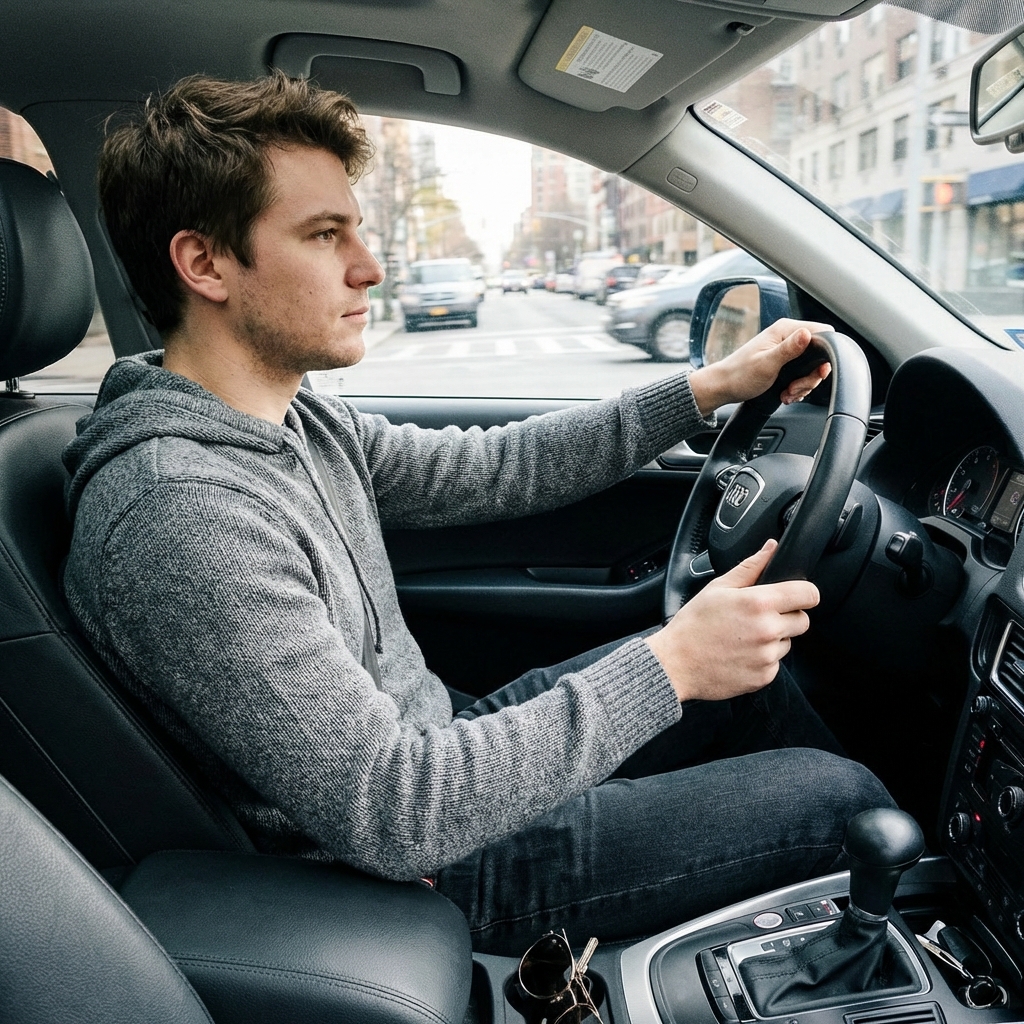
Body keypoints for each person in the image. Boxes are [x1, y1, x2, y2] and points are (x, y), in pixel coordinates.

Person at [62, 72, 893, 956]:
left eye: (357, 229)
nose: (369, 267)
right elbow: (396, 812)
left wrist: (709, 389)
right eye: (324, 234)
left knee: (756, 683)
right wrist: (675, 663)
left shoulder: (296, 423)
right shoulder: (180, 512)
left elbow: (499, 467)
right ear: (204, 264)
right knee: (842, 803)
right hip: (417, 868)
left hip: (442, 751)